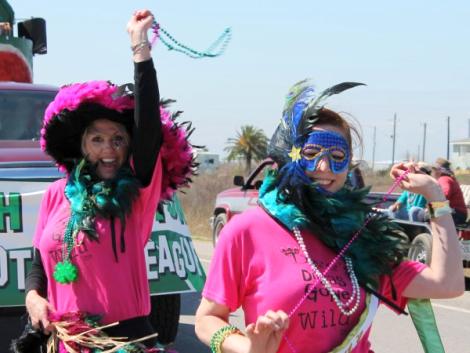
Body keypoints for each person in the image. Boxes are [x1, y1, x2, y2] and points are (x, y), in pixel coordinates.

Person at [194, 80, 465, 353]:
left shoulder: (363, 236)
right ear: (290, 156)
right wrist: (245, 347)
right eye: (311, 154)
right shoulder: (246, 230)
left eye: (337, 156)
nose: (324, 167)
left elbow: (447, 284)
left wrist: (435, 197)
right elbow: (207, 319)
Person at [21, 9, 194, 353]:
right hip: (66, 340)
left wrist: (140, 50)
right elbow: (40, 259)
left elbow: (148, 133)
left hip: (125, 341)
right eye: (97, 140)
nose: (108, 150)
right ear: (82, 146)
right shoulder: (58, 194)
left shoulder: (136, 194)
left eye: (118, 139)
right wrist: (32, 297)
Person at [431, 157, 468, 225]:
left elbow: (445, 193)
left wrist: (433, 205)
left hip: (456, 213)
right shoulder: (448, 178)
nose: (432, 172)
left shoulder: (444, 179)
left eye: (434, 169)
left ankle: (430, 234)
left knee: (423, 214)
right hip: (459, 213)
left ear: (439, 171)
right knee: (429, 211)